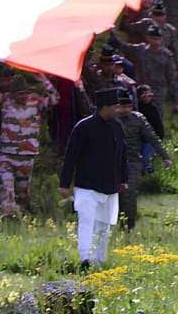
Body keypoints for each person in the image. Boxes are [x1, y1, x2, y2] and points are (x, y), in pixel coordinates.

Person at [58, 88, 128, 269]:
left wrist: (123, 179)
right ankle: (85, 259)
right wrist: (64, 183)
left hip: (110, 185)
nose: (117, 110)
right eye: (114, 106)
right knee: (87, 222)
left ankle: (100, 259)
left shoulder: (117, 126)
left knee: (104, 226)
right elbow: (70, 156)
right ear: (104, 107)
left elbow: (122, 155)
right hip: (87, 185)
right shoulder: (83, 127)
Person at [0, 72, 59, 218]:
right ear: (12, 93)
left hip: (27, 155)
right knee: (6, 187)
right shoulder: (5, 101)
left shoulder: (36, 102)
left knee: (22, 192)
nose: (24, 96)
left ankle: (21, 216)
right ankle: (8, 217)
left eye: (26, 93)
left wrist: (43, 79)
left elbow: (55, 98)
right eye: (20, 93)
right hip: (6, 155)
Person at [117, 89, 172, 231]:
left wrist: (165, 156)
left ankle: (129, 227)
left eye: (128, 107)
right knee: (114, 196)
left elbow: (152, 137)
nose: (126, 110)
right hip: (114, 162)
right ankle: (114, 224)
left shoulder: (138, 119)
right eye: (123, 107)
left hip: (133, 161)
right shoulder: (110, 119)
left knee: (130, 193)